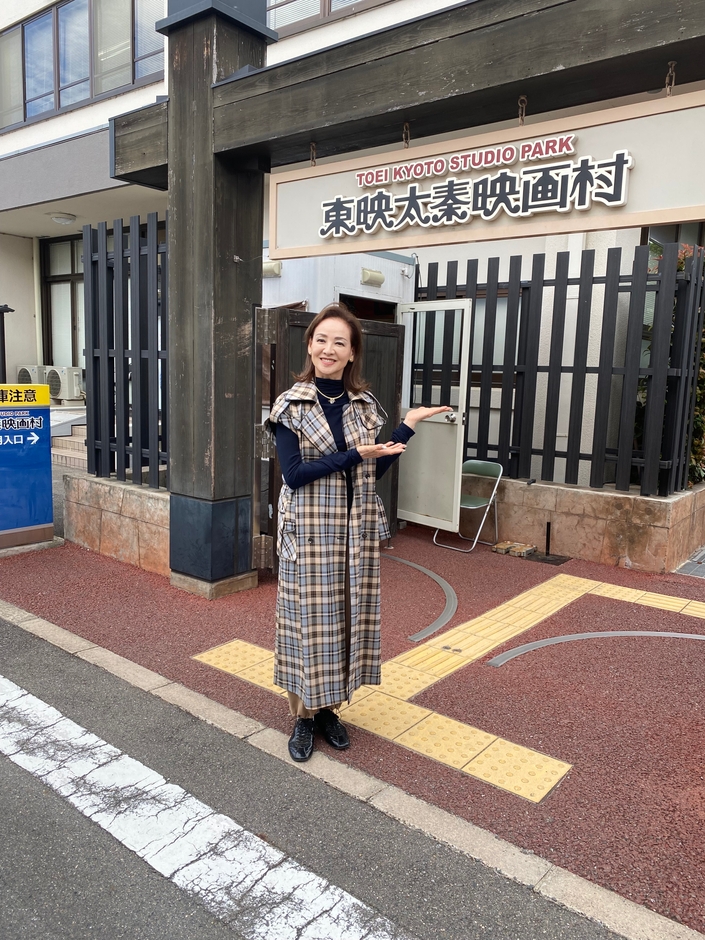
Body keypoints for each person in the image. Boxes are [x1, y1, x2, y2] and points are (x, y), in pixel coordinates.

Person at [266, 302, 450, 762]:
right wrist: (354, 456)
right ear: (310, 346)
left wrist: (408, 426)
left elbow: (372, 470)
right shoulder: (290, 404)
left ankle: (329, 709)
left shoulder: (364, 406)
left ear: (352, 353)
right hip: (308, 531)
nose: (328, 349)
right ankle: (303, 716)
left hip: (352, 532)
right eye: (321, 340)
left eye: (339, 343)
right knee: (308, 624)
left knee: (344, 620)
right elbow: (294, 474)